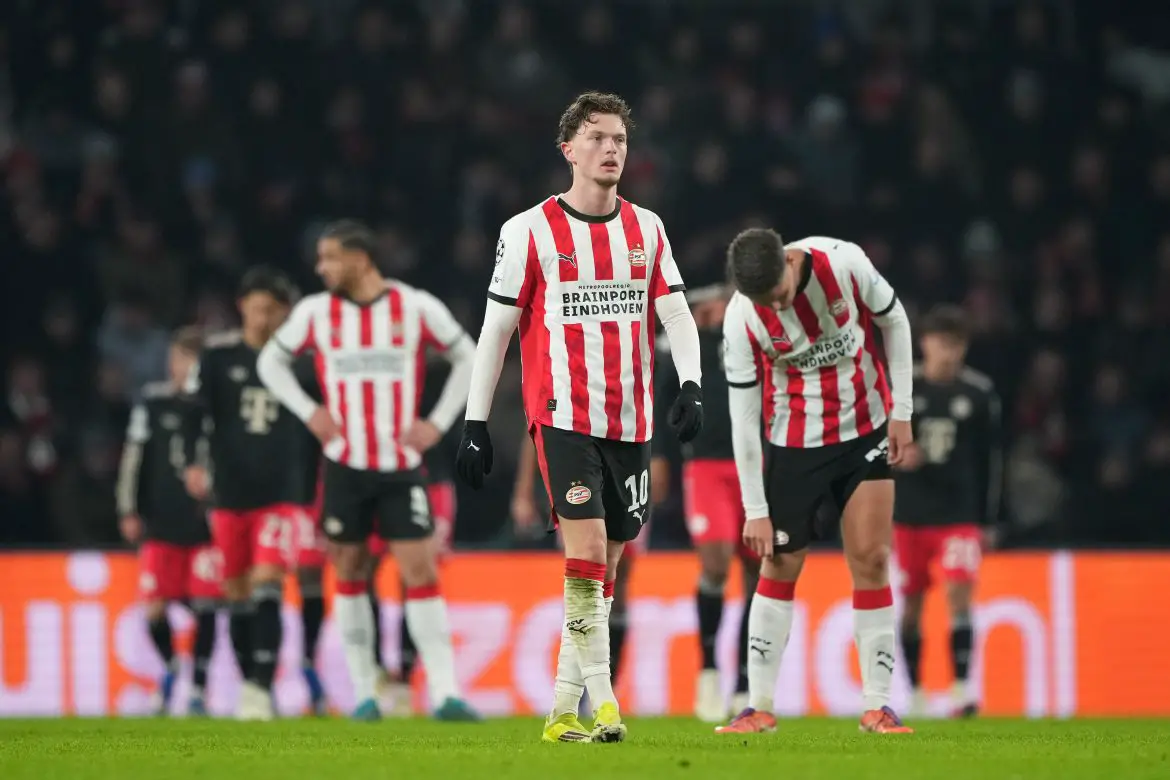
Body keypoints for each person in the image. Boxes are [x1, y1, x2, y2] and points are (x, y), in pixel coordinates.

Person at [455, 91, 704, 744]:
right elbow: (496, 331)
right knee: (588, 551)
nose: (611, 149)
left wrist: (693, 384)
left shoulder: (647, 229)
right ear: (568, 149)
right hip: (563, 417)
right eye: (597, 137)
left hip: (632, 422)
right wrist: (475, 422)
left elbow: (677, 313)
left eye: (619, 139)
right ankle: (607, 704)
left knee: (605, 570)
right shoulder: (528, 230)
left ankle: (562, 710)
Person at [256, 218, 480, 723]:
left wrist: (438, 422)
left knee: (420, 571)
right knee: (350, 572)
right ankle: (365, 695)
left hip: (401, 467)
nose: (321, 268)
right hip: (345, 467)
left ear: (360, 259)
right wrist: (309, 411)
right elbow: (270, 363)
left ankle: (445, 693)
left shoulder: (413, 306)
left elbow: (469, 356)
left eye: (330, 258)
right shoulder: (316, 313)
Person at [717, 228, 915, 735]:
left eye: (781, 293)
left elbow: (894, 319)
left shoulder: (843, 263)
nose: (778, 307)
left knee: (872, 558)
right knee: (779, 564)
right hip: (794, 443)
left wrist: (902, 410)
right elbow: (743, 418)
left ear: (789, 261)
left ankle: (877, 706)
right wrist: (755, 509)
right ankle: (758, 706)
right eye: (766, 301)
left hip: (864, 429)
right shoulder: (741, 318)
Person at [182, 269, 311, 721]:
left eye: (273, 310)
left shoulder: (297, 363)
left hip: (280, 494)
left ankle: (260, 685)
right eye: (258, 308)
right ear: (242, 307)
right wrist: (193, 463)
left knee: (268, 584)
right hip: (230, 493)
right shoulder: (218, 358)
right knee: (236, 593)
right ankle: (250, 686)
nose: (264, 318)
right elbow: (193, 413)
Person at [651, 283, 760, 723]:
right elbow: (662, 394)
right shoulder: (687, 342)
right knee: (715, 563)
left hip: (757, 463)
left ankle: (746, 681)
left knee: (757, 569)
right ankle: (709, 669)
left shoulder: (760, 338)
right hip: (706, 466)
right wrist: (660, 455)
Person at [893, 305, 1001, 718]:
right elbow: (872, 445)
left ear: (964, 347)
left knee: (959, 594)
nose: (947, 352)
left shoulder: (978, 394)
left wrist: (988, 520)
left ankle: (961, 689)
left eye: (955, 345)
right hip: (909, 515)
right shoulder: (903, 388)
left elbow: (992, 460)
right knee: (912, 605)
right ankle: (916, 691)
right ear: (924, 344)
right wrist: (897, 455)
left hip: (959, 515)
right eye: (941, 343)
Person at [116, 326, 220, 717]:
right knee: (154, 609)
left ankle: (198, 688)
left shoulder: (213, 406)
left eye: (190, 361)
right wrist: (128, 508)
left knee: (207, 606)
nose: (182, 368)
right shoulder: (153, 403)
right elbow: (134, 457)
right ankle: (173, 666)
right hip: (161, 522)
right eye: (177, 359)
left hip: (204, 526)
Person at [512, 433, 641, 700]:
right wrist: (524, 490)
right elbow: (533, 430)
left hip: (625, 465)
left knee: (618, 575)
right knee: (584, 572)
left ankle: (608, 681)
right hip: (577, 467)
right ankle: (581, 686)